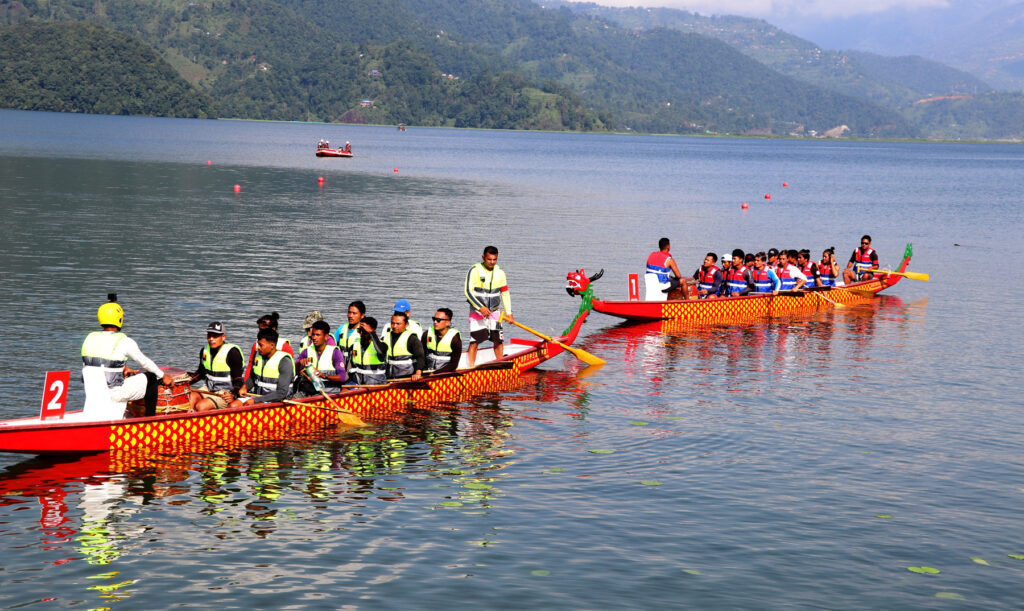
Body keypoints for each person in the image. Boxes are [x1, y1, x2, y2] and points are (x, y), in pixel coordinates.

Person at [81, 295, 173, 418]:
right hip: (114, 394)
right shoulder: (124, 341)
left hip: (93, 392)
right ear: (119, 319)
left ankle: (126, 412)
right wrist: (163, 376)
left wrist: (122, 368)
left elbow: (100, 364)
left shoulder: (89, 338)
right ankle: (150, 420)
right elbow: (144, 362)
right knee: (151, 378)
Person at [465, 245, 513, 366]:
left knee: (498, 341)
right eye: (489, 259)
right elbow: (468, 292)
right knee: (475, 341)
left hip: (495, 314)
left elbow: (505, 293)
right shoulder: (474, 270)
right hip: (477, 313)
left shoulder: (501, 273)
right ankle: (471, 368)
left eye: (494, 259)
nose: (492, 262)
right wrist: (480, 307)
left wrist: (509, 313)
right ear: (483, 257)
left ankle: (500, 364)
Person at [228, 328, 294, 407]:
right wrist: (245, 386)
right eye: (258, 344)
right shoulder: (259, 358)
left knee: (246, 407)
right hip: (259, 397)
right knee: (233, 406)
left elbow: (281, 393)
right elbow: (253, 377)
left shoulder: (285, 361)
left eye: (261, 345)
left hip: (276, 400)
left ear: (272, 345)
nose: (258, 347)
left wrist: (255, 400)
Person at [187, 321, 244, 413]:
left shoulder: (233, 353)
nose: (211, 339)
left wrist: (233, 395)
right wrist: (185, 382)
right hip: (208, 389)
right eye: (209, 336)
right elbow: (201, 373)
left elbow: (238, 379)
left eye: (215, 336)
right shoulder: (204, 350)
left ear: (223, 337)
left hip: (225, 393)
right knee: (190, 398)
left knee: (201, 406)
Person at [295, 320, 346, 397]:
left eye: (318, 335)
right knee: (292, 399)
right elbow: (295, 372)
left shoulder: (335, 353)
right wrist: (299, 363)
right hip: (309, 392)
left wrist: (324, 376)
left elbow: (342, 377)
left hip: (329, 392)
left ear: (326, 337)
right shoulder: (306, 351)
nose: (314, 338)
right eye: (313, 334)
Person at [244, 312, 293, 381]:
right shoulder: (256, 345)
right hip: (260, 383)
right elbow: (250, 365)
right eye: (259, 329)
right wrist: (245, 384)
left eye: (263, 330)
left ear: (273, 329)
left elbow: (288, 370)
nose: (260, 333)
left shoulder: (284, 346)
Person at [347, 317, 388, 386]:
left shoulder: (382, 346)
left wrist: (371, 333)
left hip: (376, 385)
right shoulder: (354, 345)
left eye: (365, 332)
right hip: (357, 385)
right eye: (359, 330)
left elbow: (380, 351)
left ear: (373, 331)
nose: (361, 334)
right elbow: (348, 367)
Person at [385, 312, 425, 380]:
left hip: (407, 377)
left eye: (398, 324)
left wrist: (418, 373)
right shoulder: (387, 336)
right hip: (390, 376)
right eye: (392, 323)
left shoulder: (412, 338)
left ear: (406, 325)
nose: (394, 326)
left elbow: (420, 356)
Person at [423, 308, 463, 374]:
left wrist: (435, 373)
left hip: (444, 373)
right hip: (427, 371)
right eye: (434, 319)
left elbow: (454, 364)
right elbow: (421, 356)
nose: (435, 322)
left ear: (448, 322)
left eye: (438, 320)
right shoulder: (426, 334)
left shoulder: (455, 339)